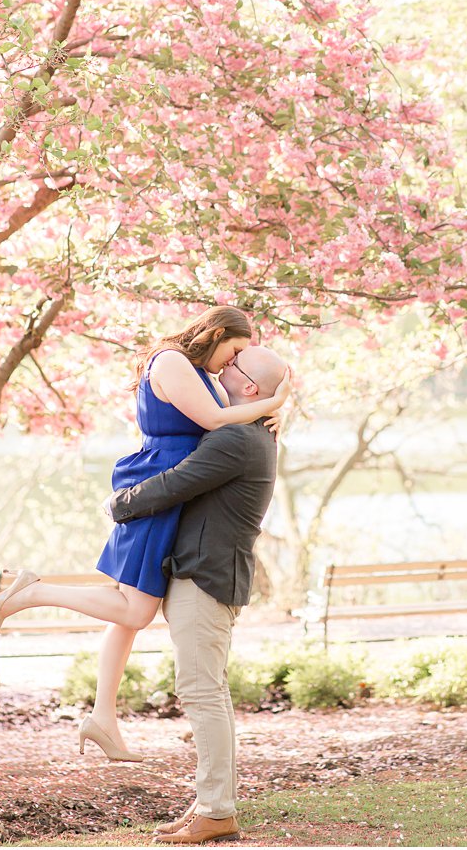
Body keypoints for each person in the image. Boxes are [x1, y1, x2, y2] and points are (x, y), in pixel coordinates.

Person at [0, 306, 289, 761]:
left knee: (128, 606)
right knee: (136, 610)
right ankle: (35, 591)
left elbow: (240, 401)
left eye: (240, 358)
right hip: (161, 484)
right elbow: (212, 420)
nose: (233, 362)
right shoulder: (172, 362)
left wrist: (270, 411)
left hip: (178, 484)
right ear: (215, 334)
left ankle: (103, 717)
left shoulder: (200, 370)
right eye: (234, 350)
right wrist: (272, 403)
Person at [105, 344, 288, 845]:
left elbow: (176, 484)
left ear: (250, 387)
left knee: (202, 692)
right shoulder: (250, 431)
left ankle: (216, 809)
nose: (223, 367)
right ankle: (212, 802)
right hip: (209, 575)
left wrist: (119, 503)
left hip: (205, 578)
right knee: (209, 691)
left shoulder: (237, 439)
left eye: (235, 365)